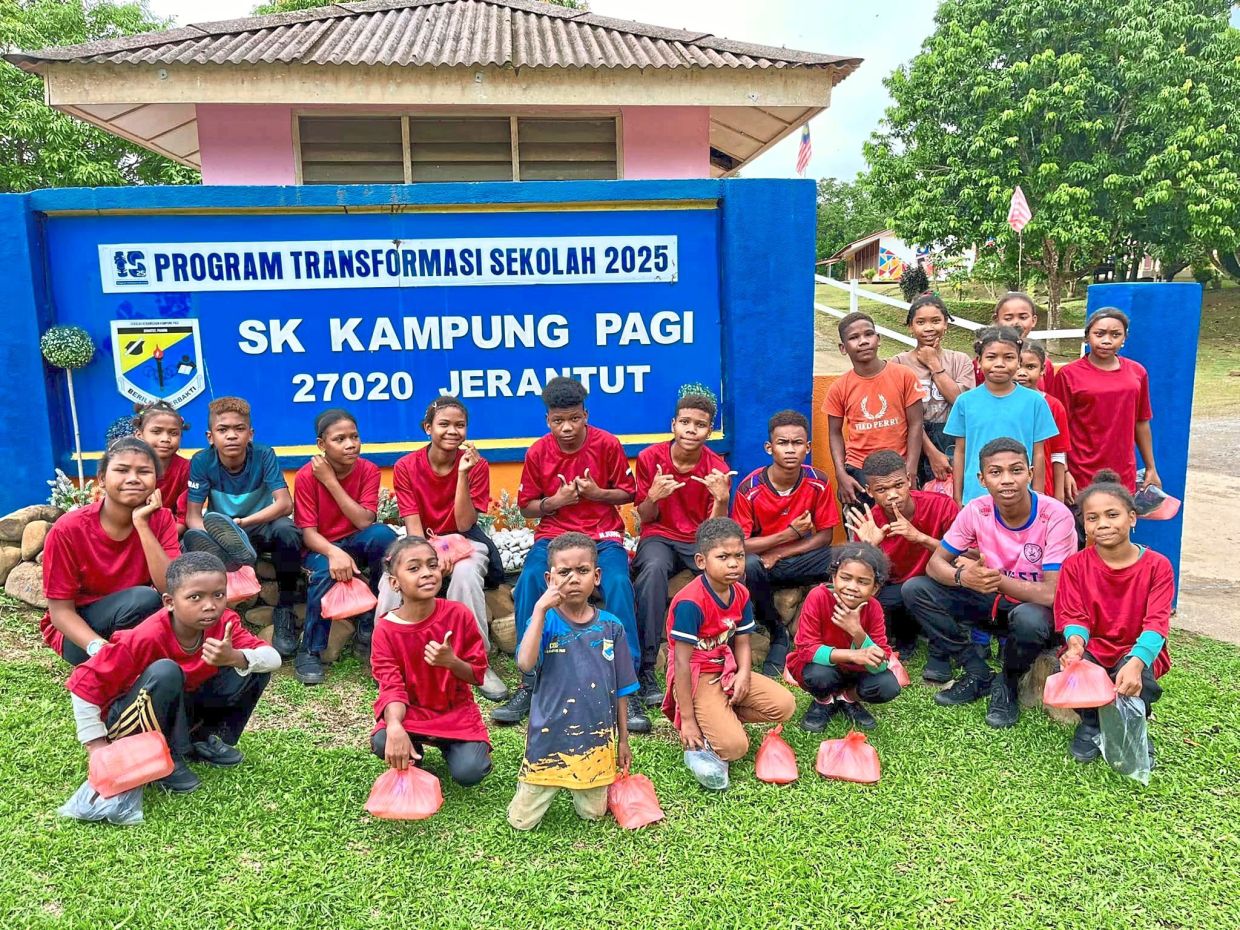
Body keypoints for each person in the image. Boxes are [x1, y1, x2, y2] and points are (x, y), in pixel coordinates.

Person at [494, 377, 644, 732]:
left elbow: (628, 493)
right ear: (548, 419)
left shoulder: (607, 444)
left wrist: (596, 493)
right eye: (558, 420)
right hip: (554, 537)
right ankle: (530, 680)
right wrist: (555, 502)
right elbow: (529, 508)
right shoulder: (537, 452)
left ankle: (629, 680)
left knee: (619, 581)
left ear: (585, 415)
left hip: (602, 536)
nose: (566, 427)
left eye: (574, 419)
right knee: (532, 577)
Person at [65, 551, 280, 793]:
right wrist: (96, 746)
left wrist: (235, 657)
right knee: (166, 671)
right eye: (195, 597)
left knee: (253, 666)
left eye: (218, 595)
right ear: (170, 602)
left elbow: (273, 659)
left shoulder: (224, 624)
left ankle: (199, 739)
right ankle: (166, 754)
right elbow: (83, 684)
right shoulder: (146, 636)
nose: (209, 606)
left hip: (179, 708)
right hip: (128, 718)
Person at [902, 438, 1077, 728]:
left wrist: (995, 581)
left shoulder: (1055, 515)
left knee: (1029, 617)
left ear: (1031, 473)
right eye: (996, 472)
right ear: (982, 479)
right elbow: (935, 565)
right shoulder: (976, 510)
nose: (1007, 480)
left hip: (1038, 614)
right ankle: (977, 671)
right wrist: (963, 577)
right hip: (993, 602)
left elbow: (1052, 593)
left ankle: (1007, 683)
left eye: (1016, 470)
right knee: (916, 589)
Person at [507, 533, 637, 831]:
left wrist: (624, 741)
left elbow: (622, 688)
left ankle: (587, 788)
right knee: (521, 822)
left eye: (582, 571)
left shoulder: (611, 627)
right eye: (564, 573)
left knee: (592, 814)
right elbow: (525, 663)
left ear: (597, 575)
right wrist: (539, 610)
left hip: (596, 741)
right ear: (549, 578)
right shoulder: (546, 621)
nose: (573, 579)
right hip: (548, 740)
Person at [391, 396, 507, 702]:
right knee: (396, 573)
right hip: (423, 540)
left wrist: (462, 474)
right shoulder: (406, 466)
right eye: (443, 424)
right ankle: (392, 660)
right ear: (428, 428)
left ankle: (475, 660)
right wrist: (427, 557)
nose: (452, 431)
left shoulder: (475, 465)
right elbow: (413, 525)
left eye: (460, 425)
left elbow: (465, 522)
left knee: (467, 572)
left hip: (464, 539)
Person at [1055, 469, 1171, 765]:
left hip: (1136, 647)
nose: (1102, 524)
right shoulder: (1074, 565)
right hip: (1095, 645)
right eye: (1092, 518)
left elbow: (1156, 623)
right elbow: (1073, 614)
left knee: (1137, 677)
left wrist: (1135, 662)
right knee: (1081, 667)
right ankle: (1091, 723)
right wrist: (1075, 646)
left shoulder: (1158, 566)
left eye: (1112, 515)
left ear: (1132, 518)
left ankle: (1134, 725)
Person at [663, 518, 796, 769]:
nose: (734, 563)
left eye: (739, 555)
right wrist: (689, 721)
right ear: (701, 561)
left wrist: (744, 674)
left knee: (785, 706)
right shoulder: (691, 602)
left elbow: (743, 641)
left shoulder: (740, 592)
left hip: (726, 666)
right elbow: (681, 662)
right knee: (735, 748)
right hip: (696, 673)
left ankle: (719, 716)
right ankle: (706, 720)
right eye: (723, 557)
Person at [631, 390, 733, 711]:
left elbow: (714, 536)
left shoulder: (715, 467)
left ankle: (722, 655)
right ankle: (647, 666)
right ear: (673, 424)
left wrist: (720, 499)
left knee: (729, 569)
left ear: (709, 431)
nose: (691, 430)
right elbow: (643, 518)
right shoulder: (651, 459)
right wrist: (654, 496)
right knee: (652, 570)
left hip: (697, 540)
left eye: (700, 425)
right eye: (685, 422)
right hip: (659, 534)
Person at [41, 437, 178, 666]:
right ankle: (119, 661)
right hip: (79, 634)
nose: (133, 479)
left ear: (156, 481)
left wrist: (142, 525)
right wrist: (98, 648)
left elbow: (170, 588)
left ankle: (132, 660)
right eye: (122, 470)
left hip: (132, 620)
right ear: (102, 479)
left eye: (144, 471)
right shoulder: (69, 529)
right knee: (144, 599)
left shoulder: (161, 520)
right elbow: (60, 613)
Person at [184, 396, 303, 660]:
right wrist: (209, 538)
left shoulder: (263, 454)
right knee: (191, 540)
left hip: (257, 528)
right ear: (210, 436)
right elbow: (192, 516)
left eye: (239, 429)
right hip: (222, 536)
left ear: (250, 434)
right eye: (222, 430)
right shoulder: (202, 461)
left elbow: (284, 504)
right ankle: (209, 619)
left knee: (287, 530)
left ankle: (285, 609)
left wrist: (243, 524)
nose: (231, 436)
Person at [370, 536, 492, 787]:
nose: (426, 573)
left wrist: (451, 662)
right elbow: (391, 687)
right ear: (395, 583)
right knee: (384, 740)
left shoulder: (459, 614)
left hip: (454, 712)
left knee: (470, 772)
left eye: (432, 565)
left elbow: (477, 674)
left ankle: (450, 747)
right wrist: (394, 725)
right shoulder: (385, 629)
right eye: (414, 568)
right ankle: (412, 747)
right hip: (411, 712)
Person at [293, 408, 397, 685]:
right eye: (339, 439)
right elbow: (308, 533)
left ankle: (369, 625)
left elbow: (364, 521)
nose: (350, 444)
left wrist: (330, 482)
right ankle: (311, 650)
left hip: (357, 540)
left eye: (354, 437)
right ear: (321, 444)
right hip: (321, 546)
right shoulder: (305, 476)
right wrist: (333, 552)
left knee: (384, 537)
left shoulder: (368, 470)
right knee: (325, 572)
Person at [733, 410, 841, 677]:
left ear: (807, 447)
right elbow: (741, 545)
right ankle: (777, 632)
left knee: (850, 557)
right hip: (762, 567)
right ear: (770, 448)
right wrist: (788, 534)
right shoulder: (750, 487)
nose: (790, 450)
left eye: (797, 443)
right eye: (783, 443)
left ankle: (833, 630)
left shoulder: (818, 480)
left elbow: (825, 536)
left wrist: (781, 551)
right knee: (749, 564)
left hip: (795, 558)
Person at [844, 450, 960, 681]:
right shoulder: (870, 523)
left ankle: (941, 652)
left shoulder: (941, 506)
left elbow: (963, 557)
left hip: (935, 585)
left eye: (898, 485)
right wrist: (870, 548)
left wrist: (920, 537)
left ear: (909, 479)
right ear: (869, 491)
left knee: (929, 585)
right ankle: (903, 638)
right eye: (882, 490)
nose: (893, 495)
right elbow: (862, 580)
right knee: (867, 597)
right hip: (897, 589)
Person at [787, 542, 902, 732]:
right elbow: (806, 648)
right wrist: (853, 655)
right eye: (845, 578)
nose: (852, 587)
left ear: (874, 588)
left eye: (862, 582)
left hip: (856, 673)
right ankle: (823, 701)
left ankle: (847, 698)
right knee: (818, 675)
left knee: (887, 685)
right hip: (824, 669)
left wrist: (857, 631)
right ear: (834, 577)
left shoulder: (873, 608)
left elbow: (881, 662)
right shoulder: (818, 597)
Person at [1050, 307, 1157, 502]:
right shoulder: (1068, 375)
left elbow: (1141, 422)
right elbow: (1058, 429)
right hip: (1080, 472)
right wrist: (1064, 471)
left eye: (1115, 334)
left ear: (1124, 337)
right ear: (1087, 337)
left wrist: (1151, 467)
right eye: (1099, 334)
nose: (1106, 341)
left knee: (1117, 528)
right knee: (1083, 528)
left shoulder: (1137, 372)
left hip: (1122, 472)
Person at [945, 327, 1057, 505]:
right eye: (991, 357)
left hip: (1021, 495)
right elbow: (960, 452)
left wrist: (1038, 497)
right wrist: (958, 498)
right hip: (975, 496)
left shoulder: (1035, 402)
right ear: (979, 361)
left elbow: (1038, 454)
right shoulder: (965, 402)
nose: (999, 363)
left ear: (1018, 362)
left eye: (1009, 357)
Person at [826, 312, 925, 506]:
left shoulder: (904, 376)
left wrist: (911, 468)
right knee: (864, 532)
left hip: (900, 467)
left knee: (904, 530)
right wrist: (840, 473)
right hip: (859, 471)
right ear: (843, 348)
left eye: (868, 334)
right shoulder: (839, 387)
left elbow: (916, 424)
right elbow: (834, 433)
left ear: (878, 339)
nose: (863, 341)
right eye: (854, 338)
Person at [893, 294, 975, 485]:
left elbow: (960, 401)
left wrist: (934, 364)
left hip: (951, 441)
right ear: (911, 327)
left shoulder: (960, 360)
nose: (929, 328)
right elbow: (902, 416)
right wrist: (931, 452)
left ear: (946, 324)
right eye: (921, 322)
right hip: (912, 440)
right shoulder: (898, 363)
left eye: (936, 321)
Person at [1015, 341, 1070, 501]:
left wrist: (1058, 496)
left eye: (1030, 367)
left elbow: (1058, 453)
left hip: (1043, 488)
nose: (1022, 373)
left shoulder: (1053, 406)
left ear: (1043, 370)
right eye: (1018, 366)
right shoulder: (997, 402)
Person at [974, 292, 1056, 392]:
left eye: (1023, 317)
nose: (1015, 323)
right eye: (1008, 318)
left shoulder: (1044, 362)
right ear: (996, 319)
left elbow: (1048, 398)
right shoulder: (985, 362)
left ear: (1033, 320)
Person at [134, 401, 190, 535]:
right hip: (133, 530)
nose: (165, 439)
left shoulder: (185, 468)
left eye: (173, 433)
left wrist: (165, 540)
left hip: (171, 532)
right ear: (139, 435)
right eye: (156, 432)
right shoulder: (130, 467)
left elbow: (183, 518)